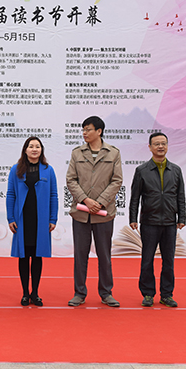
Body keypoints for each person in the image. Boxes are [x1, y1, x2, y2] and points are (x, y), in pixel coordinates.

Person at [66, 116, 123, 307]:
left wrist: (99, 202)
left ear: (99, 131)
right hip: (81, 213)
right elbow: (71, 179)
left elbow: (117, 180)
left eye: (88, 129)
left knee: (104, 256)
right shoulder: (77, 153)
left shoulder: (113, 153)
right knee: (80, 255)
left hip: (104, 213)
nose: (84, 133)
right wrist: (86, 200)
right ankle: (79, 293)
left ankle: (106, 293)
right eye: (83, 129)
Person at [129, 132, 186, 308]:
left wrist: (182, 217)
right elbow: (135, 197)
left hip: (169, 222)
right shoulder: (142, 170)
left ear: (167, 146)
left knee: (169, 261)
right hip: (149, 222)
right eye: (156, 144)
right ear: (150, 147)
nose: (160, 146)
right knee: (147, 260)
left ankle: (167, 295)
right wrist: (133, 218)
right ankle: (147, 293)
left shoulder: (175, 170)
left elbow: (180, 196)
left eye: (163, 143)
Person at [6, 136, 58, 307]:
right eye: (31, 146)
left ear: (41, 150)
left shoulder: (48, 170)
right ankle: (24, 293)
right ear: (25, 150)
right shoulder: (16, 169)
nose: (34, 149)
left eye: (37, 146)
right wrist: (11, 218)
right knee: (23, 256)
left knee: (37, 256)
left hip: (40, 219)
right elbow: (11, 194)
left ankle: (35, 293)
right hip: (22, 219)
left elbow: (54, 195)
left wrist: (53, 218)